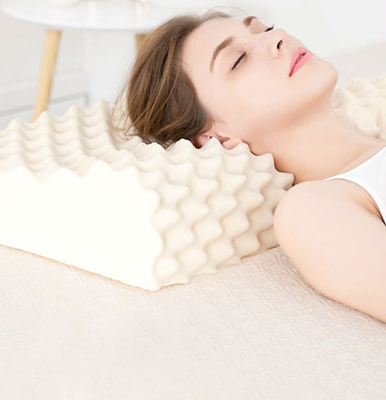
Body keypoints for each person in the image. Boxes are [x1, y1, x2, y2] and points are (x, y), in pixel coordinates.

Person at [110, 8, 386, 323]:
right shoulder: (312, 209)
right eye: (239, 60)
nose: (278, 37)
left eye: (265, 29)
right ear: (216, 136)